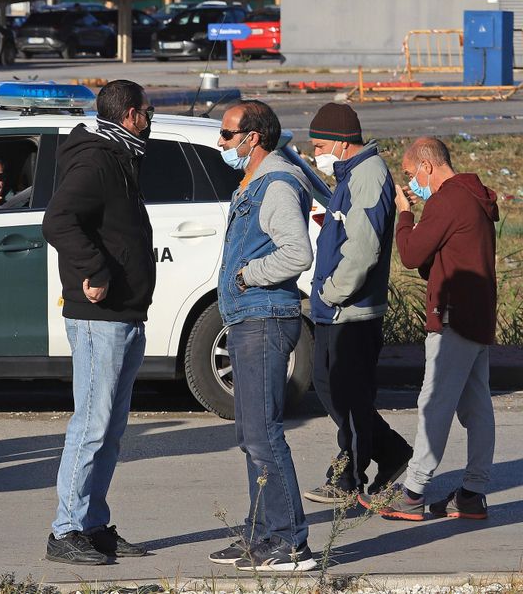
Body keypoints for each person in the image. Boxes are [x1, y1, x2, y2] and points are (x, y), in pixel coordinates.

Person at [40, 80, 156, 566]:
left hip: (125, 313)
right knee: (91, 424)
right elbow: (58, 220)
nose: (151, 119)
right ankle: (65, 529)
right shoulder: (97, 159)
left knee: (110, 428)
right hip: (99, 317)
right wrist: (95, 270)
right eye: (147, 111)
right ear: (129, 115)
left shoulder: (121, 156)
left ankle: (92, 525)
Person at [209, 100, 317, 573]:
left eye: (228, 135)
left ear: (253, 137)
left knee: (264, 435)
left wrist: (249, 275)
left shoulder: (276, 185)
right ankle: (262, 535)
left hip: (265, 317)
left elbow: (298, 253)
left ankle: (291, 542)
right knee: (250, 434)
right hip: (248, 318)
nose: (222, 143)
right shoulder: (253, 182)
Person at [376, 137, 497, 522]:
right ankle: (473, 494)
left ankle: (412, 492)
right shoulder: (473, 197)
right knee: (477, 408)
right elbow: (445, 257)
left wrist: (404, 215)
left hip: (453, 318)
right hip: (477, 317)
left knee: (434, 405)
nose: (412, 183)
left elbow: (411, 255)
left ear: (428, 166)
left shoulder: (447, 200)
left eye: (412, 174)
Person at [302, 103, 412, 505]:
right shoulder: (353, 174)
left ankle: (347, 476)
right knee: (333, 387)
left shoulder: (368, 175)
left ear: (341, 143)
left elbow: (363, 249)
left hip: (350, 308)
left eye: (318, 146)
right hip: (337, 308)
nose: (316, 153)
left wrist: (331, 291)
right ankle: (391, 452)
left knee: (346, 395)